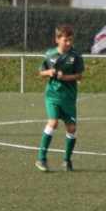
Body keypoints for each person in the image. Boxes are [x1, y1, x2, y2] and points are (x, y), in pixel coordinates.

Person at [36, 24, 84, 172]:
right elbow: (41, 72)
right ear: (57, 39)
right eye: (65, 40)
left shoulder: (76, 55)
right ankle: (41, 158)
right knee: (53, 123)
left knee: (72, 128)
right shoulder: (49, 54)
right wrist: (49, 72)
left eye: (71, 40)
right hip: (53, 95)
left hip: (68, 97)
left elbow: (79, 75)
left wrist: (66, 77)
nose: (68, 43)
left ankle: (67, 160)